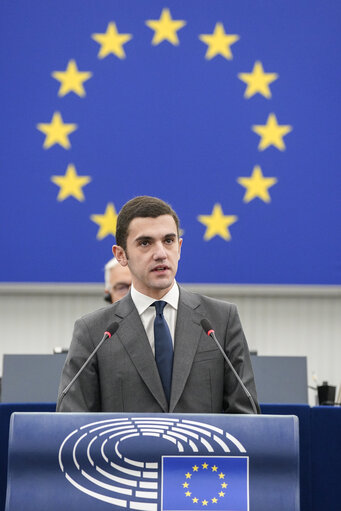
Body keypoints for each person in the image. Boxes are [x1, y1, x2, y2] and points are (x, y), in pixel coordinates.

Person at [57, 196, 259, 414]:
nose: (161, 254)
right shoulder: (94, 332)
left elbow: (245, 415)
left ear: (179, 248)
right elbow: (72, 422)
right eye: (145, 243)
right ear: (121, 255)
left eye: (169, 241)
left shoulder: (220, 320)